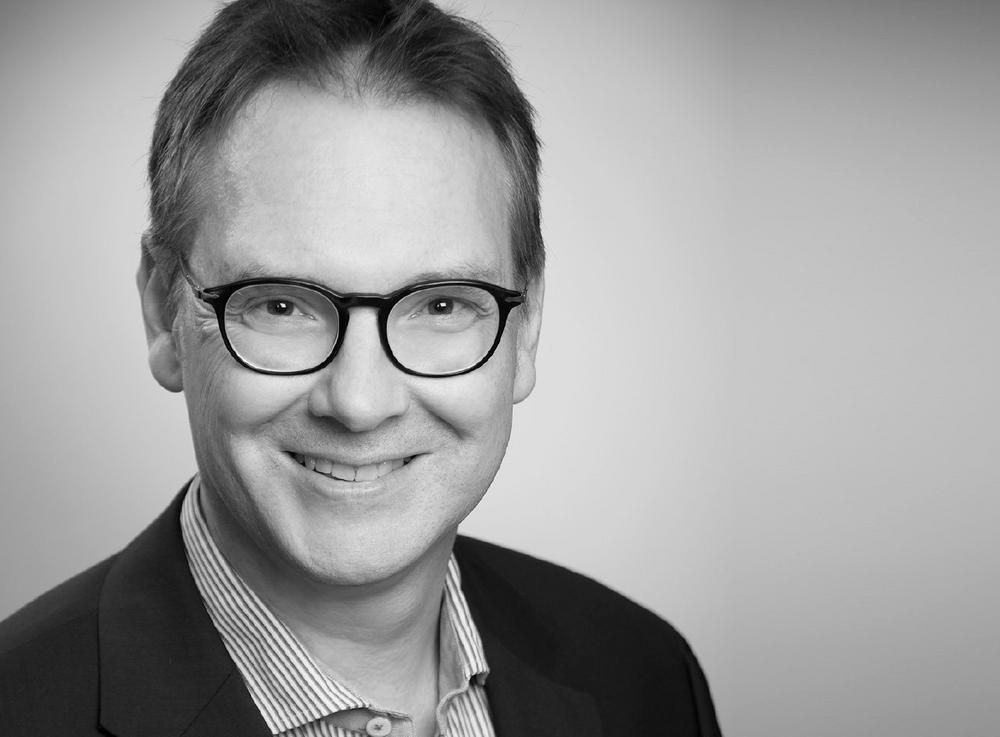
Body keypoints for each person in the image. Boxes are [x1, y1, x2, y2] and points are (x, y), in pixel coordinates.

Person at [0, 1, 721, 734]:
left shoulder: (644, 676)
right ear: (164, 312)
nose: (360, 402)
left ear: (525, 325)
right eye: (281, 305)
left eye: (440, 304)